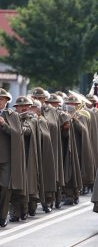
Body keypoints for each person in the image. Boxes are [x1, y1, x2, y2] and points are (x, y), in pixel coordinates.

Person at [0, 88, 25, 227]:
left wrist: (4, 124)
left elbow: (17, 135)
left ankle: (3, 215)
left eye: (1, 99)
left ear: (6, 101)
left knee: (5, 187)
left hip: (5, 158)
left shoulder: (11, 115)